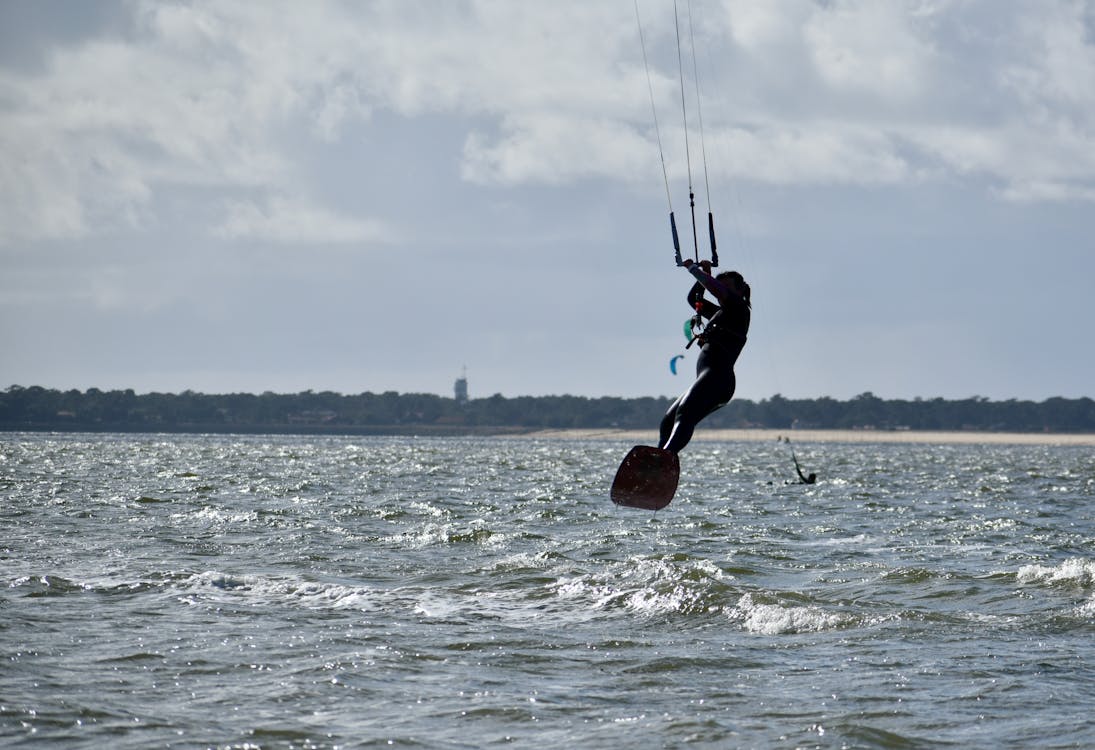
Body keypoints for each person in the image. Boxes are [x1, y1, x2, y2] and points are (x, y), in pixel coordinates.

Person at [658, 259, 751, 454]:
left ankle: (666, 457)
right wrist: (704, 272)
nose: (719, 291)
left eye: (726, 287)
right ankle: (657, 462)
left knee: (685, 414)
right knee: (668, 421)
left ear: (740, 290)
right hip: (711, 379)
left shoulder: (739, 308)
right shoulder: (721, 313)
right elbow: (694, 299)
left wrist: (693, 269)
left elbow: (718, 290)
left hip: (718, 379)